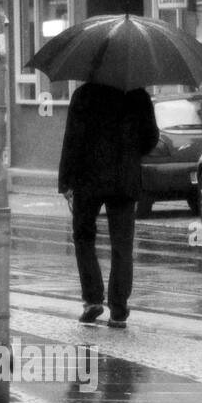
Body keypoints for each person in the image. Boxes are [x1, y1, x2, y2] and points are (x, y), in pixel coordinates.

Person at [57, 81, 160, 327]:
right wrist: (131, 151)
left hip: (87, 179)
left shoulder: (83, 95)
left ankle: (92, 299)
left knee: (83, 237)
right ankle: (118, 307)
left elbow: (72, 140)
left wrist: (65, 182)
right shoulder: (138, 95)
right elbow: (151, 138)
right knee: (122, 245)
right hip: (124, 180)